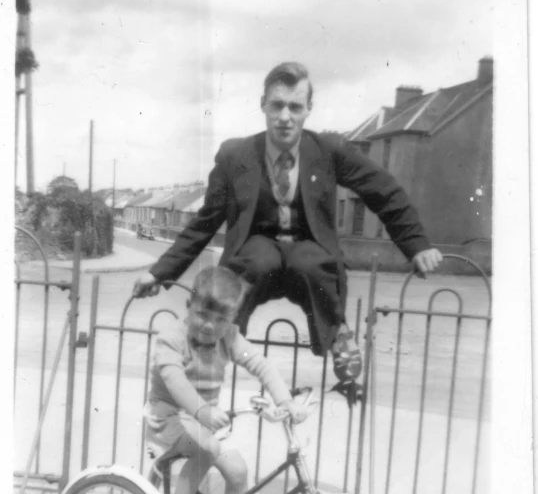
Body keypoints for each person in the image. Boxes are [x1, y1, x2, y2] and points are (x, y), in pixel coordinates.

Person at [133, 61, 443, 382]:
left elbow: (385, 191)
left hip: (308, 250)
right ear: (262, 105)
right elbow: (205, 221)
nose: (284, 117)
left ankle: (337, 334)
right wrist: (159, 272)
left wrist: (417, 246)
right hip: (257, 251)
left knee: (313, 263)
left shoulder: (329, 151)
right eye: (276, 105)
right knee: (251, 260)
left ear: (309, 108)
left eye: (295, 107)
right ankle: (221, 341)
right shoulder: (235, 155)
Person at [143, 265, 308, 494]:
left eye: (222, 318)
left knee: (237, 470)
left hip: (200, 424)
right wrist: (203, 410)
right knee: (207, 450)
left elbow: (260, 364)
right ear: (189, 307)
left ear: (232, 319)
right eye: (204, 314)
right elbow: (175, 381)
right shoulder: (171, 338)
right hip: (168, 419)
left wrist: (286, 401)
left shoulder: (228, 339)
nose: (211, 326)